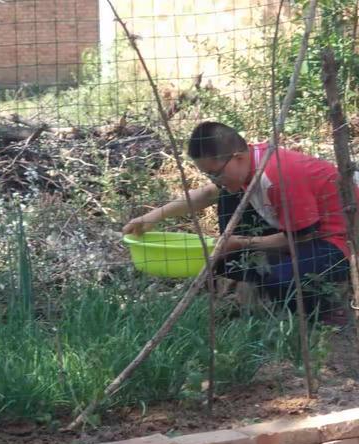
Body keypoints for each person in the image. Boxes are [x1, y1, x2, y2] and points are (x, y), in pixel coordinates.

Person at [123, 121, 354, 321]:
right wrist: (151, 216)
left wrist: (242, 242)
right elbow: (205, 195)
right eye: (208, 175)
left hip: (334, 240)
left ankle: (324, 310)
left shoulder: (277, 175)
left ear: (238, 157)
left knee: (280, 279)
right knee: (224, 230)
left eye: (215, 173)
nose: (214, 179)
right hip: (296, 229)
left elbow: (302, 235)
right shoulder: (249, 164)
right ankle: (258, 289)